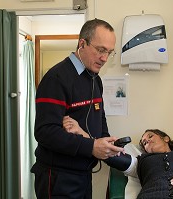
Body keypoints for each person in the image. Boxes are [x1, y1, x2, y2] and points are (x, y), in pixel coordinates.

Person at [30, 18, 124, 199]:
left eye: (109, 52)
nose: (104, 58)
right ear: (82, 43)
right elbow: (45, 132)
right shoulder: (56, 78)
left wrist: (105, 142)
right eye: (100, 50)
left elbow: (99, 116)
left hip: (82, 173)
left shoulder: (94, 78)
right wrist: (91, 146)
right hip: (58, 177)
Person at [63, 119, 173, 199]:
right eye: (143, 142)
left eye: (150, 136)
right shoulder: (142, 161)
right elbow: (110, 154)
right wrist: (81, 133)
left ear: (166, 138)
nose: (146, 141)